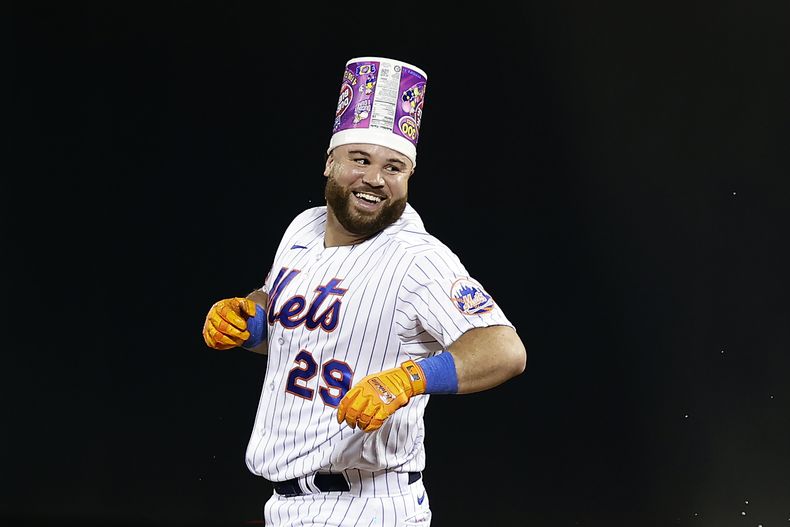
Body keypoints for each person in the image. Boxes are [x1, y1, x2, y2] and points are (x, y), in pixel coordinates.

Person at [201, 56, 527, 527]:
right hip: (285, 505)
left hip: (371, 505)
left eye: (394, 167)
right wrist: (246, 319)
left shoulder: (418, 257)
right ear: (330, 162)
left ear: (408, 177)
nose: (375, 178)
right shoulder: (303, 228)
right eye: (360, 159)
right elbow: (293, 331)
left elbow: (504, 350)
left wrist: (408, 380)